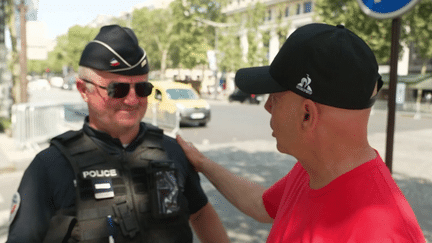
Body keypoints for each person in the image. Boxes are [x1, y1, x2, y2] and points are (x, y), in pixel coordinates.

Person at [176, 23, 426, 242]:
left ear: (307, 115)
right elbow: (262, 204)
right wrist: (202, 162)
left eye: (275, 97)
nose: (267, 107)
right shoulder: (313, 170)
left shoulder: (380, 234)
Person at [7, 25, 229, 243]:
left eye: (142, 88)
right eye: (118, 90)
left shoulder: (171, 151)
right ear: (84, 90)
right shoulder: (50, 167)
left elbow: (199, 212)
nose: (132, 100)